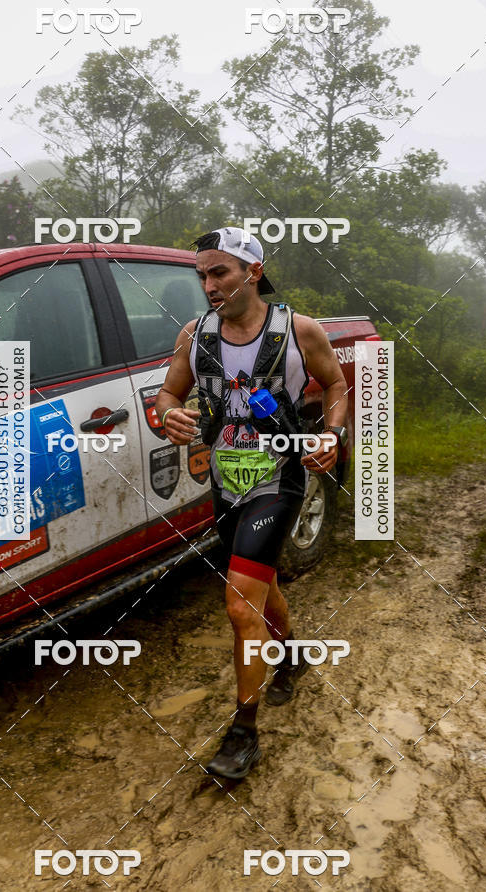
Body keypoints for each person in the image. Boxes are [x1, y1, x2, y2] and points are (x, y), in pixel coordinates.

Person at [155, 227, 348, 779]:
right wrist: (167, 415)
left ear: (253, 272)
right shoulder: (195, 335)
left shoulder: (298, 330)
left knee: (240, 606)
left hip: (277, 479)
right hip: (225, 481)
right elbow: (169, 395)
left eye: (220, 273)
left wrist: (331, 435)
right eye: (202, 276)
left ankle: (243, 734)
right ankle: (290, 654)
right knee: (260, 590)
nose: (209, 285)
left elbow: (336, 385)